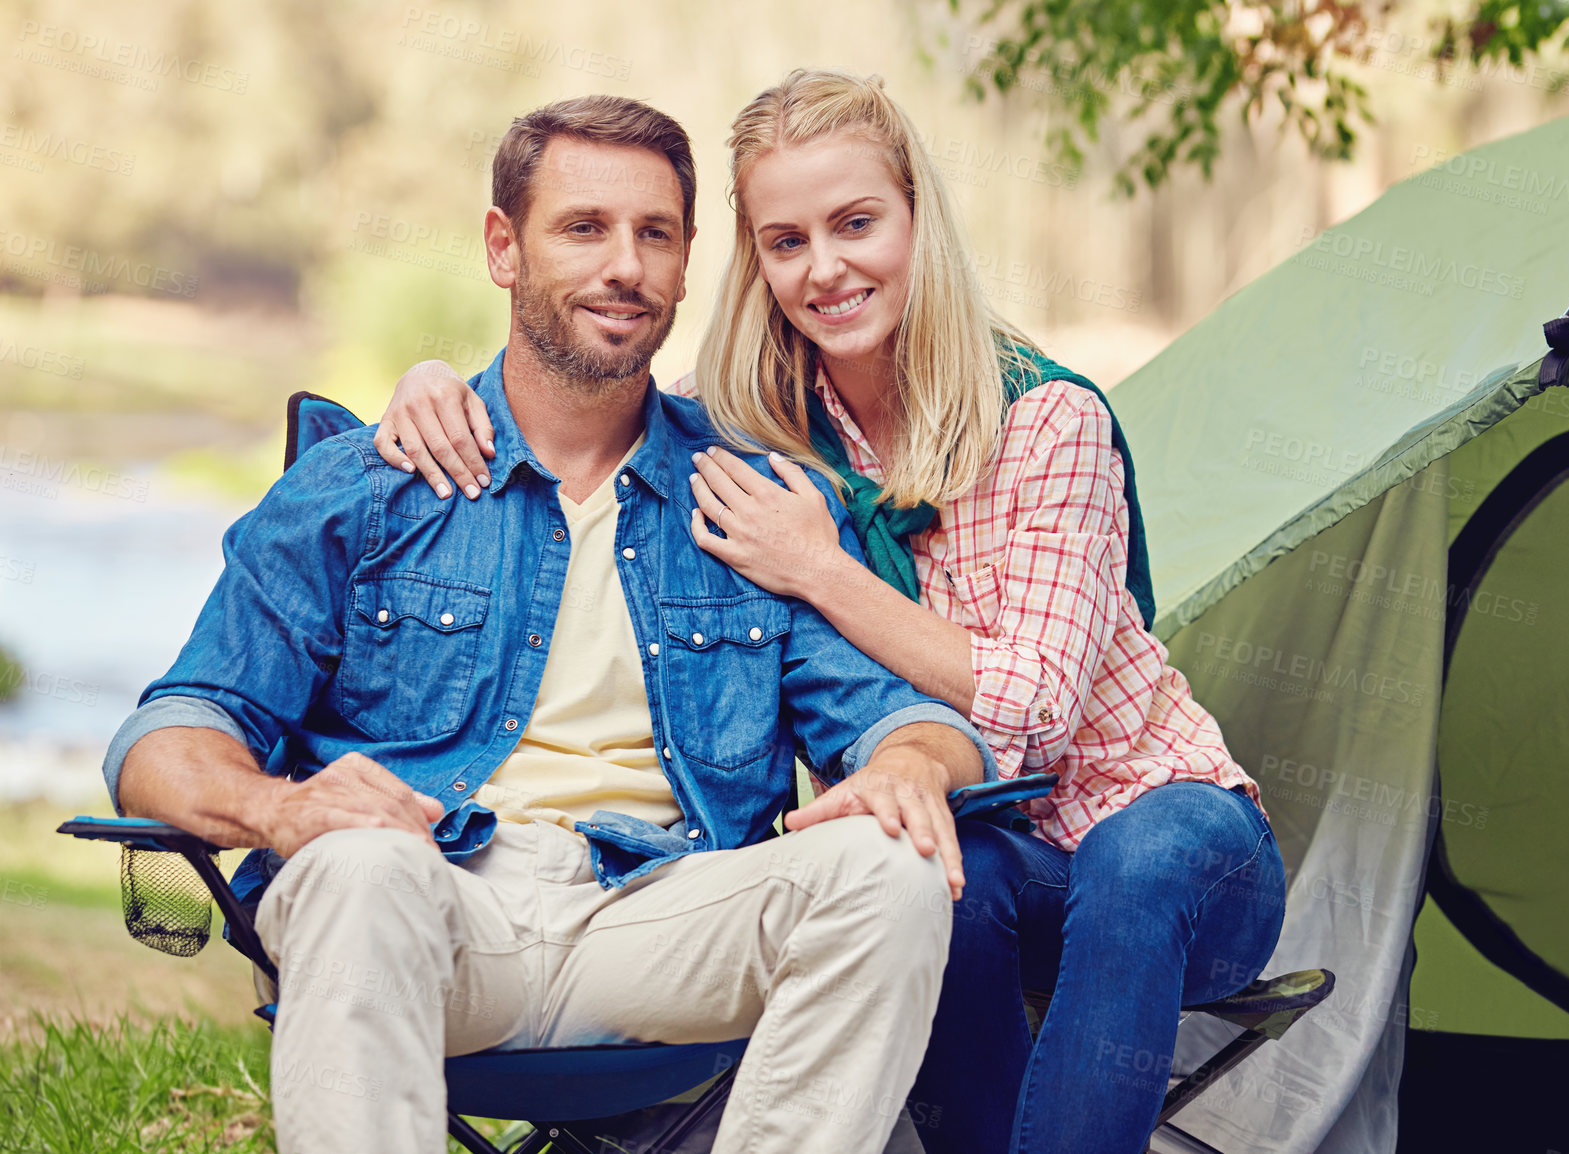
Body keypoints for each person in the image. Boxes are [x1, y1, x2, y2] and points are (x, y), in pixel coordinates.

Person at [379, 71, 1286, 1154]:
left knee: (1136, 858)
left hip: (1176, 846)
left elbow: (1033, 712)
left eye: (857, 223)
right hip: (995, 857)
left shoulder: (1047, 422)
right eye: (787, 240)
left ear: (918, 219)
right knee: (941, 875)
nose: (828, 268)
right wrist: (437, 382)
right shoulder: (762, 439)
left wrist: (822, 566)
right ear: (757, 262)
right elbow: (587, 399)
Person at [101, 93, 1001, 1154]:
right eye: (584, 228)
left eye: (654, 234)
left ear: (686, 260)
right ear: (503, 246)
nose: (624, 265)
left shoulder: (747, 501)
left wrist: (912, 762)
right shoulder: (365, 489)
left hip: (662, 913)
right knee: (353, 864)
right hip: (430, 909)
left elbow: (910, 720)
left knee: (888, 871)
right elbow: (164, 741)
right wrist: (281, 810)